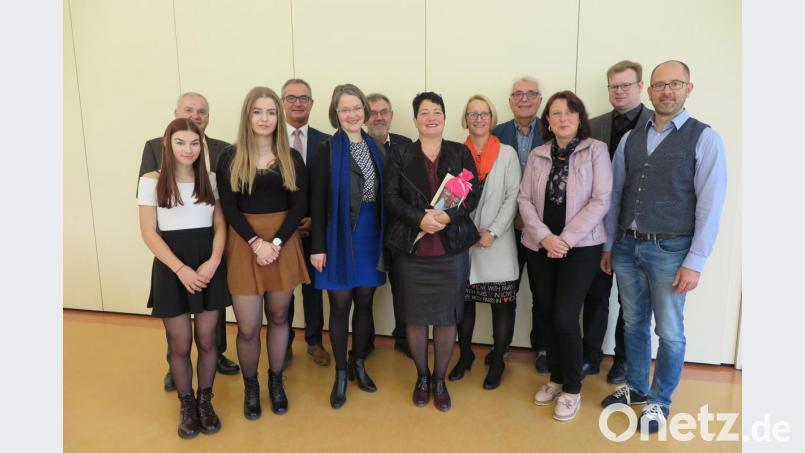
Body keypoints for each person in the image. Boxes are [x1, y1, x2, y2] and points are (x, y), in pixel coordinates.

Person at [600, 60, 727, 434]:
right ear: (649, 90)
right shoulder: (630, 139)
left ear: (689, 89)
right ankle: (637, 386)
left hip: (671, 251)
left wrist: (696, 261)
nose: (666, 91)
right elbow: (616, 195)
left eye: (675, 84)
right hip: (627, 247)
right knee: (633, 322)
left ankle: (659, 400)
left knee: (670, 331)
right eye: (660, 85)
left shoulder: (704, 138)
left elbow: (710, 204)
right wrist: (610, 244)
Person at [518, 90, 612, 421]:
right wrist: (544, 237)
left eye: (569, 112)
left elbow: (601, 200)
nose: (562, 118)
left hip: (581, 248)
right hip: (540, 247)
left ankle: (572, 388)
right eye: (555, 113)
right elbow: (524, 199)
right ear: (548, 120)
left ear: (579, 117)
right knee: (545, 313)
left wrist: (565, 240)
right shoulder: (538, 154)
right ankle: (556, 378)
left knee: (565, 315)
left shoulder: (595, 151)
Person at [216, 86, 309, 419]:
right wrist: (257, 243)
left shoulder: (291, 157)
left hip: (282, 243)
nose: (265, 118)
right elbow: (228, 206)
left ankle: (275, 381)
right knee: (248, 328)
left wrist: (277, 243)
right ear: (247, 116)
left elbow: (299, 206)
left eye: (271, 112)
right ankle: (251, 386)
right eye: (258, 111)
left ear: (279, 117)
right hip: (245, 245)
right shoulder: (230, 157)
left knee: (280, 317)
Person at [384, 92, 480, 412]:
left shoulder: (459, 152)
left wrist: (446, 216)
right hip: (412, 250)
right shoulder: (400, 154)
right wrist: (420, 218)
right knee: (414, 316)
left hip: (450, 249)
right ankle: (421, 376)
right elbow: (391, 197)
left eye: (436, 111)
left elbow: (471, 193)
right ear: (415, 120)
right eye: (424, 112)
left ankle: (439, 378)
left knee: (446, 317)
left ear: (444, 116)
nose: (431, 117)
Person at [138, 92, 240, 392]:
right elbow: (148, 232)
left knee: (208, 342)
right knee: (180, 344)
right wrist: (180, 269)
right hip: (172, 265)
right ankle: (188, 404)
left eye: (194, 143)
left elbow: (221, 224)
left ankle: (205, 401)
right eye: (180, 142)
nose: (188, 148)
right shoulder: (151, 180)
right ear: (167, 144)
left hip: (209, 261)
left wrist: (214, 262)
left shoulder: (210, 177)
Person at [309, 84, 386, 409]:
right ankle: (341, 373)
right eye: (345, 109)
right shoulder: (327, 150)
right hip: (337, 234)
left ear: (365, 112)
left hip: (371, 232)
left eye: (357, 108)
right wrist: (317, 246)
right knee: (340, 305)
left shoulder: (376, 148)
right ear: (336, 114)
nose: (352, 114)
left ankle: (358, 363)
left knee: (365, 301)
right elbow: (316, 202)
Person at [583, 60, 654, 384]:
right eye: (614, 86)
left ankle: (623, 361)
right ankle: (591, 356)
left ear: (640, 86)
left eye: (626, 85)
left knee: (632, 302)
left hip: (637, 228)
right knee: (596, 296)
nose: (620, 91)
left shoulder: (658, 123)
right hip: (597, 227)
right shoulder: (593, 125)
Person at [449, 95, 520, 390]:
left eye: (484, 114)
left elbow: (513, 196)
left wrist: (492, 230)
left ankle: (498, 361)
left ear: (492, 118)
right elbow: (449, 200)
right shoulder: (453, 153)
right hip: (463, 243)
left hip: (498, 242)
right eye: (472, 114)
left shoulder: (507, 153)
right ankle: (465, 355)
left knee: (501, 304)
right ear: (465, 119)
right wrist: (466, 231)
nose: (478, 119)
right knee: (464, 304)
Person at [491, 76, 548, 373]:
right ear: (510, 100)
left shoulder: (553, 130)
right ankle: (501, 347)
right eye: (518, 94)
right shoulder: (495, 134)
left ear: (540, 99)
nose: (524, 99)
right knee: (505, 293)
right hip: (505, 230)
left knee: (542, 293)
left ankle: (542, 347)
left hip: (541, 232)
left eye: (530, 94)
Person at [281, 78, 333, 368]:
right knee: (283, 290)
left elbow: (330, 190)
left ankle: (314, 341)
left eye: (303, 98)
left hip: (316, 228)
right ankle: (283, 342)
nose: (298, 103)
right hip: (280, 231)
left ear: (312, 103)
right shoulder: (270, 139)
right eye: (291, 98)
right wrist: (285, 224)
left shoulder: (326, 141)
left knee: (314, 288)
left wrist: (317, 220)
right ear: (282, 102)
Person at [365, 92, 413, 357]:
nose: (379, 117)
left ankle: (404, 338)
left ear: (392, 116)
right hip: (367, 232)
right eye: (372, 112)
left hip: (399, 230)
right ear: (363, 116)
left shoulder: (407, 145)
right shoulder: (355, 146)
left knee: (402, 287)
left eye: (384, 112)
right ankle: (365, 340)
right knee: (365, 291)